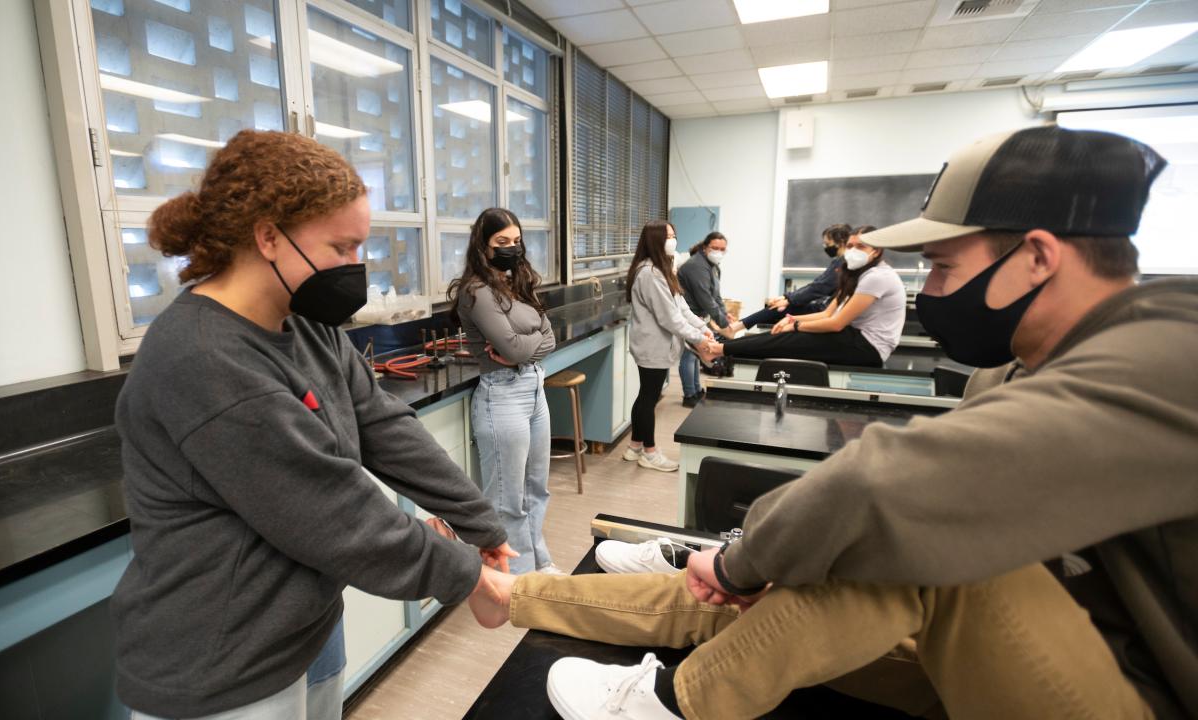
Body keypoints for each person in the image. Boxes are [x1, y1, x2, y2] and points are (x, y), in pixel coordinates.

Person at [467, 125, 1197, 720]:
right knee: (767, 605)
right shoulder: (1020, 370)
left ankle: (684, 700)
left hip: (1134, 693)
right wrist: (751, 569)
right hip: (1020, 653)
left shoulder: (1168, 354)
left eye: (943, 266)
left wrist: (744, 562)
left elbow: (896, 486)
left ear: (1037, 256)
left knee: (915, 546)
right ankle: (522, 597)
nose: (930, 290)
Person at [112, 130, 514, 720]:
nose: (355, 267)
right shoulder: (203, 357)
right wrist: (469, 578)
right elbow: (336, 514)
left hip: (305, 622)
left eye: (359, 247)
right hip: (224, 662)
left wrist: (481, 523)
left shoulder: (304, 324)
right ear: (269, 237)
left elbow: (382, 425)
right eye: (341, 247)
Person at [448, 207, 561, 576]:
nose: (512, 248)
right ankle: (516, 577)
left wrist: (521, 348)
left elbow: (549, 338)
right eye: (502, 241)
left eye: (516, 240)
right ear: (483, 245)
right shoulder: (476, 292)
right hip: (502, 395)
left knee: (536, 489)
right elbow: (514, 348)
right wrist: (524, 347)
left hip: (534, 387)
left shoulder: (516, 283)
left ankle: (538, 562)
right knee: (506, 500)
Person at [702, 228, 905, 369]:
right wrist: (792, 320)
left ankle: (719, 349)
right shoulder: (856, 275)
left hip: (869, 348)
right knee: (781, 333)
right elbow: (828, 313)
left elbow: (836, 323)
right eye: (850, 246)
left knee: (791, 338)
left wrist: (796, 326)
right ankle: (721, 348)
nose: (852, 251)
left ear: (876, 251)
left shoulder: (877, 277)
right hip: (854, 337)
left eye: (860, 246)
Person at [623, 221, 724, 472]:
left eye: (674, 235)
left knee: (646, 395)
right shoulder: (650, 274)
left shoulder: (663, 269)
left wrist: (702, 327)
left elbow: (681, 308)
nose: (673, 240)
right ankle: (650, 453)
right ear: (655, 240)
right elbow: (670, 318)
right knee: (649, 398)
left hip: (656, 345)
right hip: (652, 346)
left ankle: (635, 446)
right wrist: (700, 339)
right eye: (668, 236)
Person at [729, 223, 852, 333]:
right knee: (779, 307)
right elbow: (815, 285)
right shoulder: (839, 262)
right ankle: (736, 327)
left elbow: (818, 288)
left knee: (781, 308)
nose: (825, 246)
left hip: (825, 310)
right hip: (823, 307)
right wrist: (785, 297)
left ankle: (735, 328)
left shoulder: (843, 263)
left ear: (840, 241)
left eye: (827, 243)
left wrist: (788, 300)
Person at [676, 231, 729, 407]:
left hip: (698, 317)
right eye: (715, 248)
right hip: (689, 316)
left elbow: (716, 296)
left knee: (696, 355)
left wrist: (725, 315)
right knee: (689, 355)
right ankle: (689, 394)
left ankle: (696, 391)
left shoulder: (712, 266)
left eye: (722, 249)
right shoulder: (696, 266)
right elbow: (705, 298)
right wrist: (724, 324)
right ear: (705, 247)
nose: (718, 252)